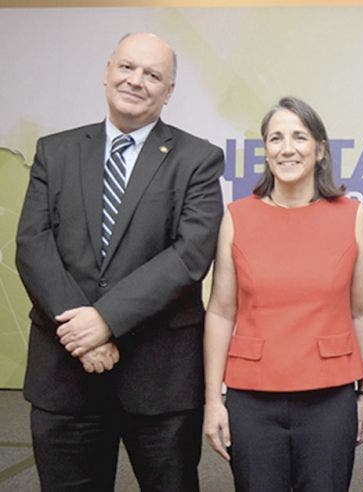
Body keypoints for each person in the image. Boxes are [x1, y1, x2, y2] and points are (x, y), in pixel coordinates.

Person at [15, 33, 224, 490]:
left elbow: (189, 255)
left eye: (153, 75)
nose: (136, 81)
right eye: (127, 67)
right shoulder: (56, 151)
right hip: (64, 368)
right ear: (107, 71)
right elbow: (34, 245)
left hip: (160, 380)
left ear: (169, 92)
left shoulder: (198, 160)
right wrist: (84, 334)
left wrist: (105, 320)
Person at [201, 96, 363, 491]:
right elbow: (221, 312)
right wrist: (214, 400)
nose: (287, 148)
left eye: (299, 136)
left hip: (330, 399)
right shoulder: (237, 216)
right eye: (276, 138)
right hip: (251, 399)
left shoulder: (352, 215)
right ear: (265, 150)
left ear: (319, 149)